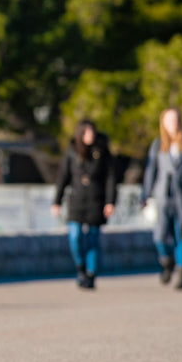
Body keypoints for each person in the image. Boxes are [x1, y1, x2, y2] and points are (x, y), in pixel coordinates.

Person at [140, 108, 182, 290]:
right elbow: (151, 170)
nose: (173, 123)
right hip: (163, 193)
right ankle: (167, 261)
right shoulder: (157, 144)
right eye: (169, 120)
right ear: (163, 123)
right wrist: (145, 194)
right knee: (160, 235)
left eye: (175, 119)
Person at [51, 119, 117, 289]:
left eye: (92, 132)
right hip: (77, 200)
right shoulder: (72, 151)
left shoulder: (102, 151)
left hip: (96, 200)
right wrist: (57, 201)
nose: (90, 135)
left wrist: (110, 202)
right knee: (75, 236)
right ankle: (80, 268)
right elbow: (63, 177)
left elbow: (111, 178)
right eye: (86, 132)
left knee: (93, 239)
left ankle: (91, 273)